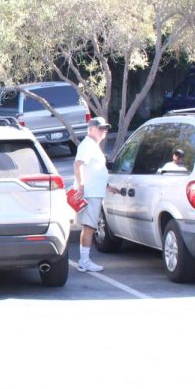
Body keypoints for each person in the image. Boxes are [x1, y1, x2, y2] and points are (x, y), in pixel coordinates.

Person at [72, 116, 114, 273]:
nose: (103, 131)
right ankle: (84, 262)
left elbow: (94, 170)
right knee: (89, 227)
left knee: (89, 227)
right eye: (100, 128)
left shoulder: (92, 146)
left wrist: (107, 186)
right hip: (90, 193)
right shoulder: (87, 145)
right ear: (91, 129)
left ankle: (84, 261)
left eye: (105, 128)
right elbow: (78, 165)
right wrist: (81, 187)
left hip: (93, 192)